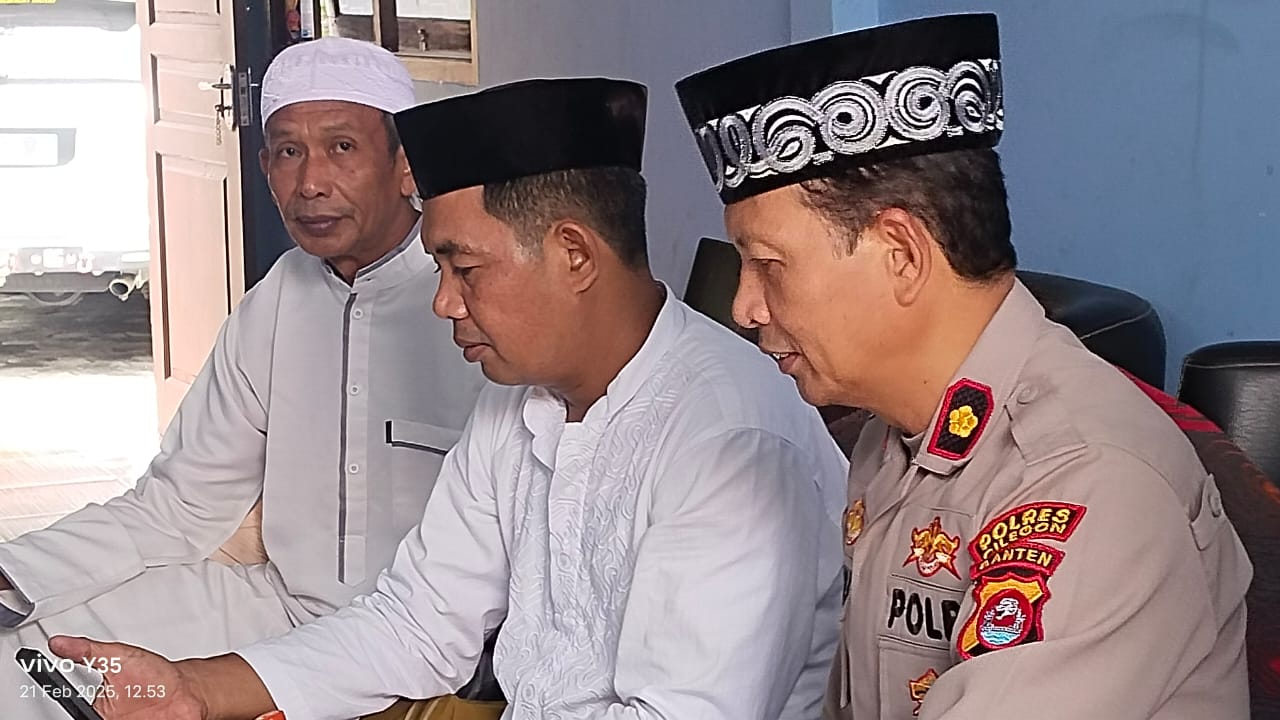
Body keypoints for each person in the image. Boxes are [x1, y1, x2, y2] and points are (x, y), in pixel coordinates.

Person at [46, 76, 848, 720]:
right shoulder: (519, 402)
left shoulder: (730, 442)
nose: (443, 303)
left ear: (573, 255)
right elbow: (419, 621)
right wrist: (195, 690)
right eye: (439, 270)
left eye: (465, 270)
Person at [674, 13, 1252, 720]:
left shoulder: (1084, 480)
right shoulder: (892, 437)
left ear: (901, 254)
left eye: (768, 264)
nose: (745, 306)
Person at [1, 37, 487, 719]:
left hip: (420, 640)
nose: (310, 182)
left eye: (342, 147)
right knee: (23, 645)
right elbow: (179, 502)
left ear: (405, 164)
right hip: (277, 610)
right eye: (288, 152)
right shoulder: (278, 298)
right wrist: (15, 572)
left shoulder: (477, 297)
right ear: (264, 168)